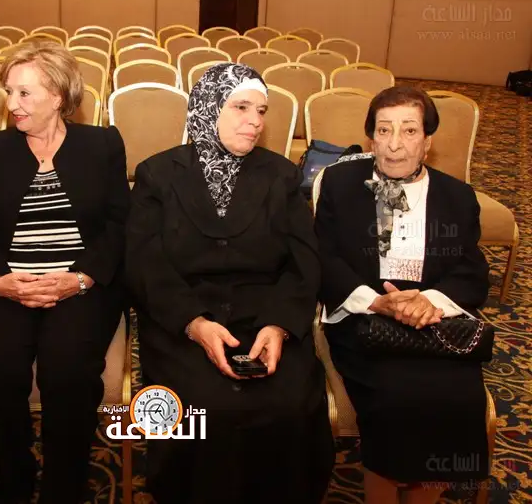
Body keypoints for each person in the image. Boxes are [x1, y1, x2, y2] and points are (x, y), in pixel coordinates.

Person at [125, 63, 334, 504]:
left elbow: (305, 261)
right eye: (241, 107)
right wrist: (194, 323)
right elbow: (145, 263)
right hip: (184, 319)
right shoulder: (158, 174)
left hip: (265, 317)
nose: (255, 120)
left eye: (261, 110)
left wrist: (279, 325)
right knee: (205, 408)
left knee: (290, 403)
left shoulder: (281, 175)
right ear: (208, 108)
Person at [0, 41, 130, 504]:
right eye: (9, 92)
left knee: (68, 369)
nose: (12, 103)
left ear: (57, 96)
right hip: (9, 285)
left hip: (79, 286)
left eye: (24, 93)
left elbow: (120, 222)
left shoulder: (101, 145)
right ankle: (11, 478)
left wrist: (82, 278)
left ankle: (64, 483)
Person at [315, 86, 491, 504]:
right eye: (384, 130)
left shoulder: (456, 196)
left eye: (409, 130)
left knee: (457, 396)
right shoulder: (339, 184)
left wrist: (430, 300)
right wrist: (375, 301)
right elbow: (322, 258)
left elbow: (472, 273)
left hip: (434, 324)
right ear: (371, 139)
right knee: (395, 397)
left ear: (427, 141)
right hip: (365, 321)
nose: (395, 144)